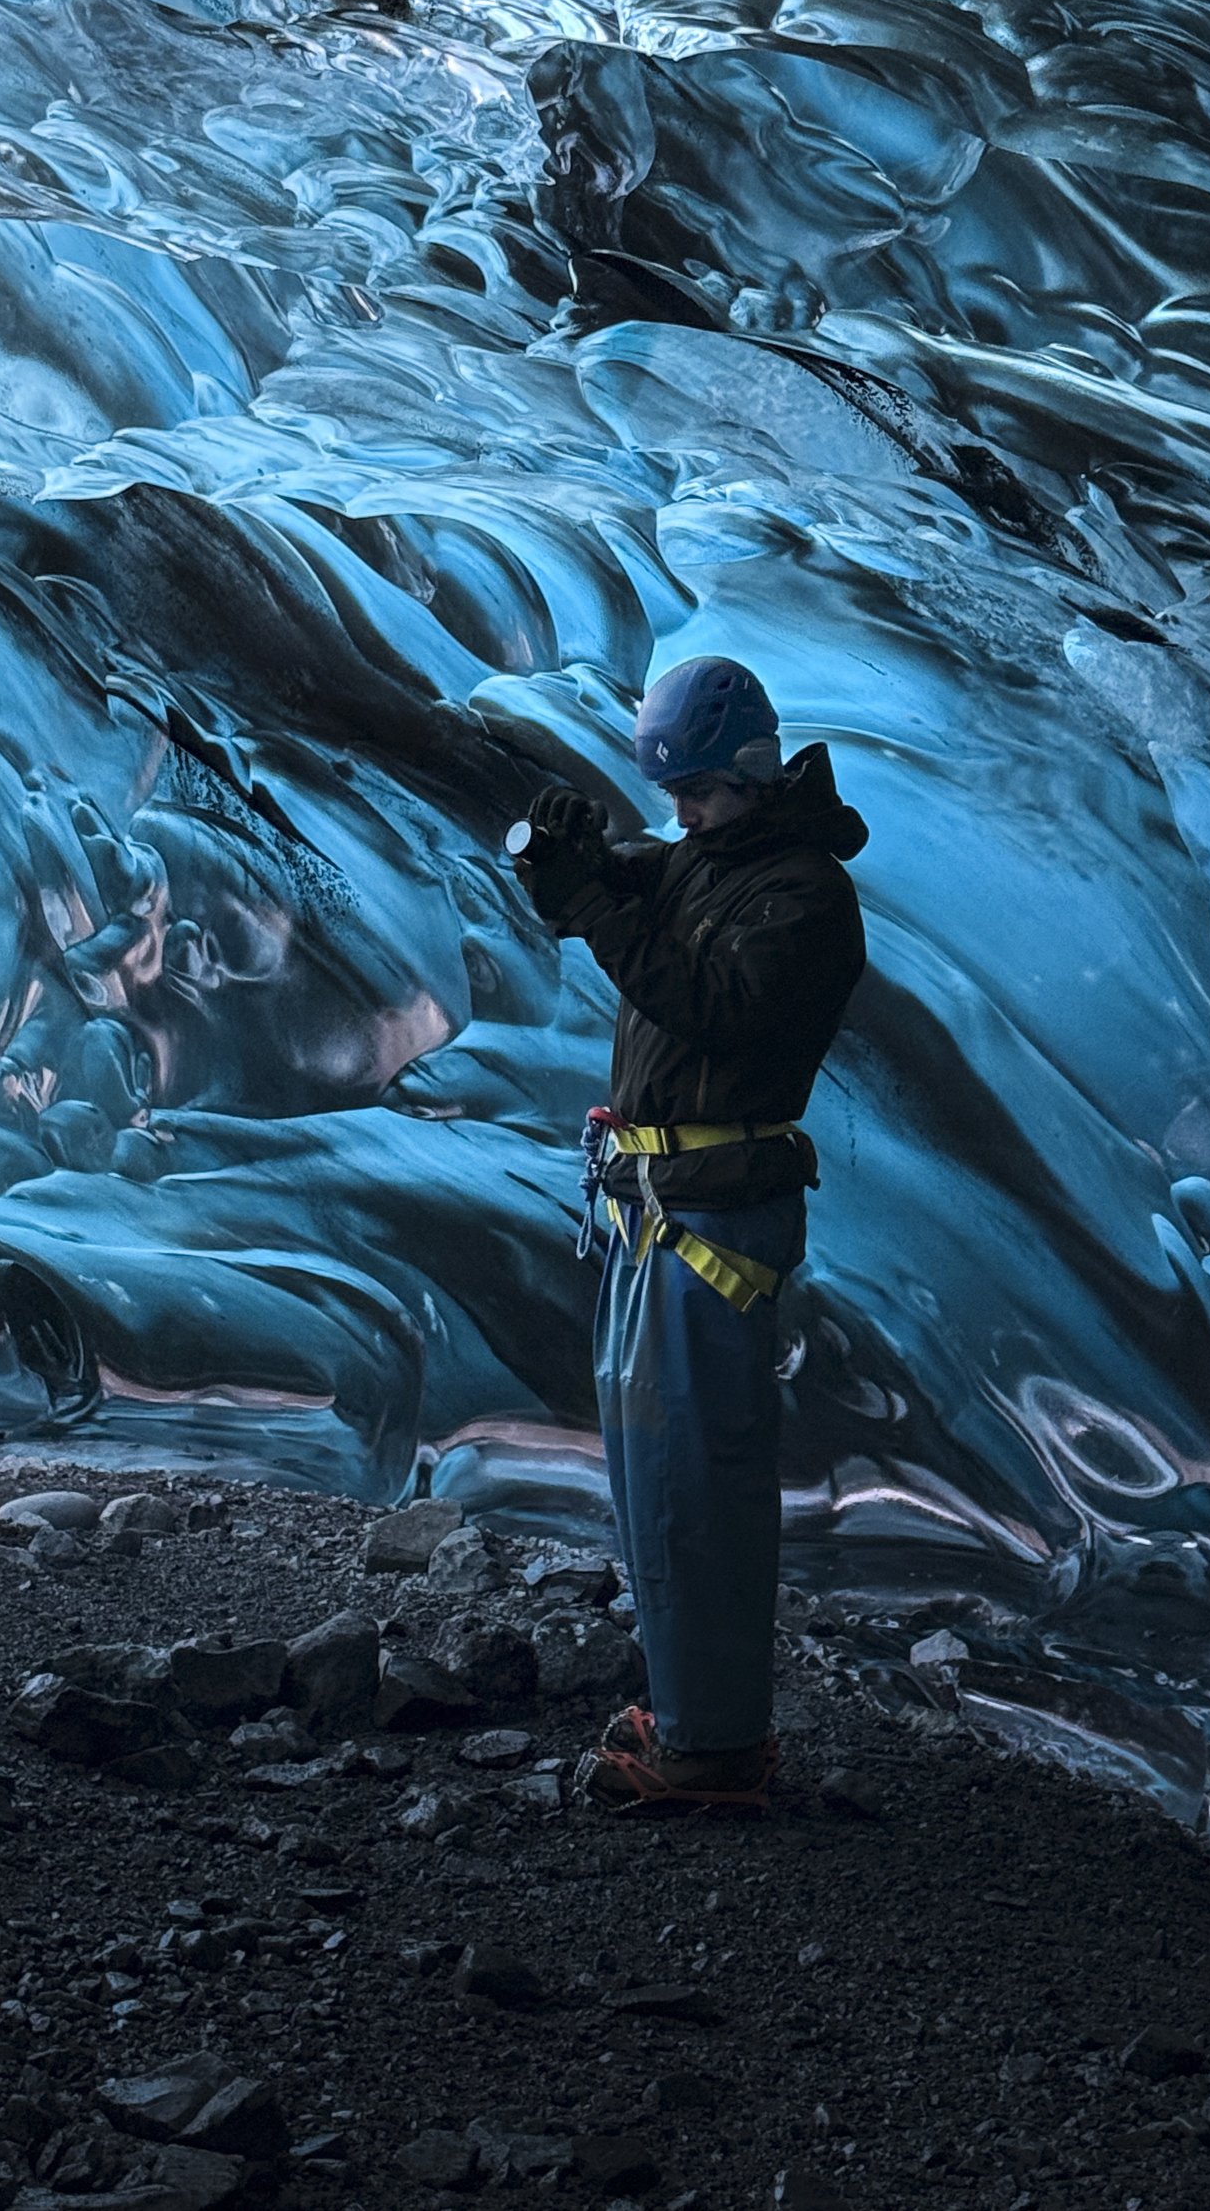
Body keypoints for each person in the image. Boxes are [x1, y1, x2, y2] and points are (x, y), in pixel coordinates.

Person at [512, 656, 868, 1809]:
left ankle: (712, 1751)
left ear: (756, 771)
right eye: (672, 796)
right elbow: (620, 895)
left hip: (710, 1224)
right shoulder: (708, 862)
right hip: (657, 1213)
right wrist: (565, 866)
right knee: (656, 1476)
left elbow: (705, 999)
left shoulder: (804, 896)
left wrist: (597, 902)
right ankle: (690, 1711)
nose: (682, 815)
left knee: (697, 1483)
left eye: (701, 791)